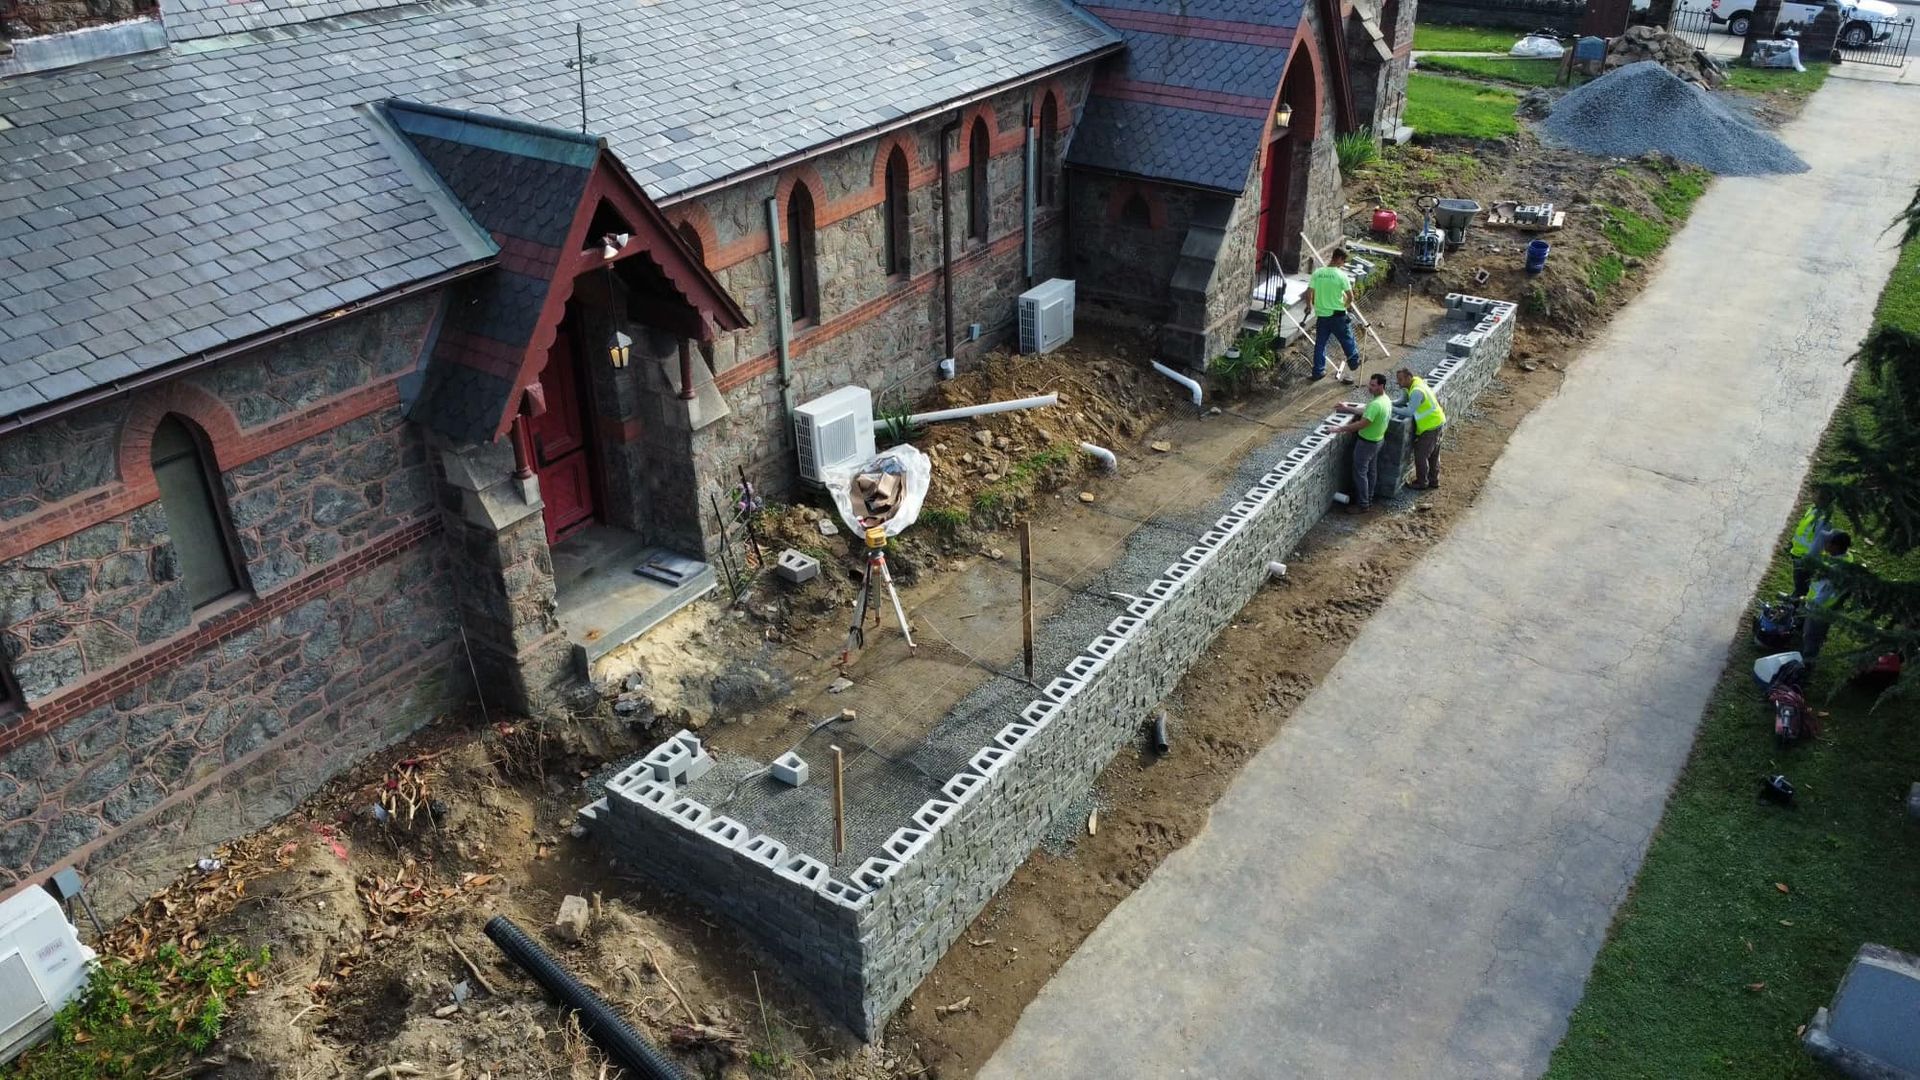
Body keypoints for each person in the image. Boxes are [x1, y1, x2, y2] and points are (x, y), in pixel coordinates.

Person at [1331, 373, 1393, 512]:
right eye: (1370, 384)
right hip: (1378, 441)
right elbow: (1366, 411)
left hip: (1367, 444)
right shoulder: (1385, 400)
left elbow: (1362, 424)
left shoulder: (1376, 404)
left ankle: (1363, 504)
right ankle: (1368, 498)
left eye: (1373, 385)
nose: (1369, 387)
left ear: (1381, 386)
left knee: (1360, 473)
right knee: (1371, 472)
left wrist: (1339, 428)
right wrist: (1347, 408)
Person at [1800, 530, 1853, 673]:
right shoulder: (1846, 558)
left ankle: (1806, 666)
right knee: (1817, 635)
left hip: (1819, 610)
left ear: (1836, 546)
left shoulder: (1834, 571)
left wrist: (1810, 605)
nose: (1825, 544)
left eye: (1828, 542)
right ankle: (1813, 650)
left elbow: (1824, 594)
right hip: (1829, 608)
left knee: (1811, 636)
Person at [1309, 248, 1360, 384]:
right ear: (1338, 258)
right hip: (1338, 315)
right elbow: (1351, 297)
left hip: (1322, 316)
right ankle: (1354, 362)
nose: (1343, 264)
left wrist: (1310, 305)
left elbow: (1309, 292)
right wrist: (1345, 306)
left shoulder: (1318, 273)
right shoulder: (1341, 275)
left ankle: (1318, 371)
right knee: (1347, 339)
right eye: (1343, 261)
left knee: (1320, 344)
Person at [1393, 366, 1446, 490]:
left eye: (1400, 380)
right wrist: (1388, 403)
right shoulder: (1415, 382)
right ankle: (1434, 480)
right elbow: (1403, 401)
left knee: (1421, 455)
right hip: (1437, 421)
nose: (1398, 383)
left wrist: (1391, 409)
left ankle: (1422, 483)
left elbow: (1409, 411)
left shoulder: (1416, 391)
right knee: (1433, 454)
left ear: (1408, 378)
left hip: (1430, 426)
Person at [1788, 500, 1837, 599]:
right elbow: (1803, 529)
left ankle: (1795, 604)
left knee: (1801, 588)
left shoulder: (1823, 521)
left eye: (1818, 494)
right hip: (1797, 553)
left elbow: (1819, 544)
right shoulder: (1813, 509)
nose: (1814, 495)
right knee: (1798, 584)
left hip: (1805, 558)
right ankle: (1794, 599)